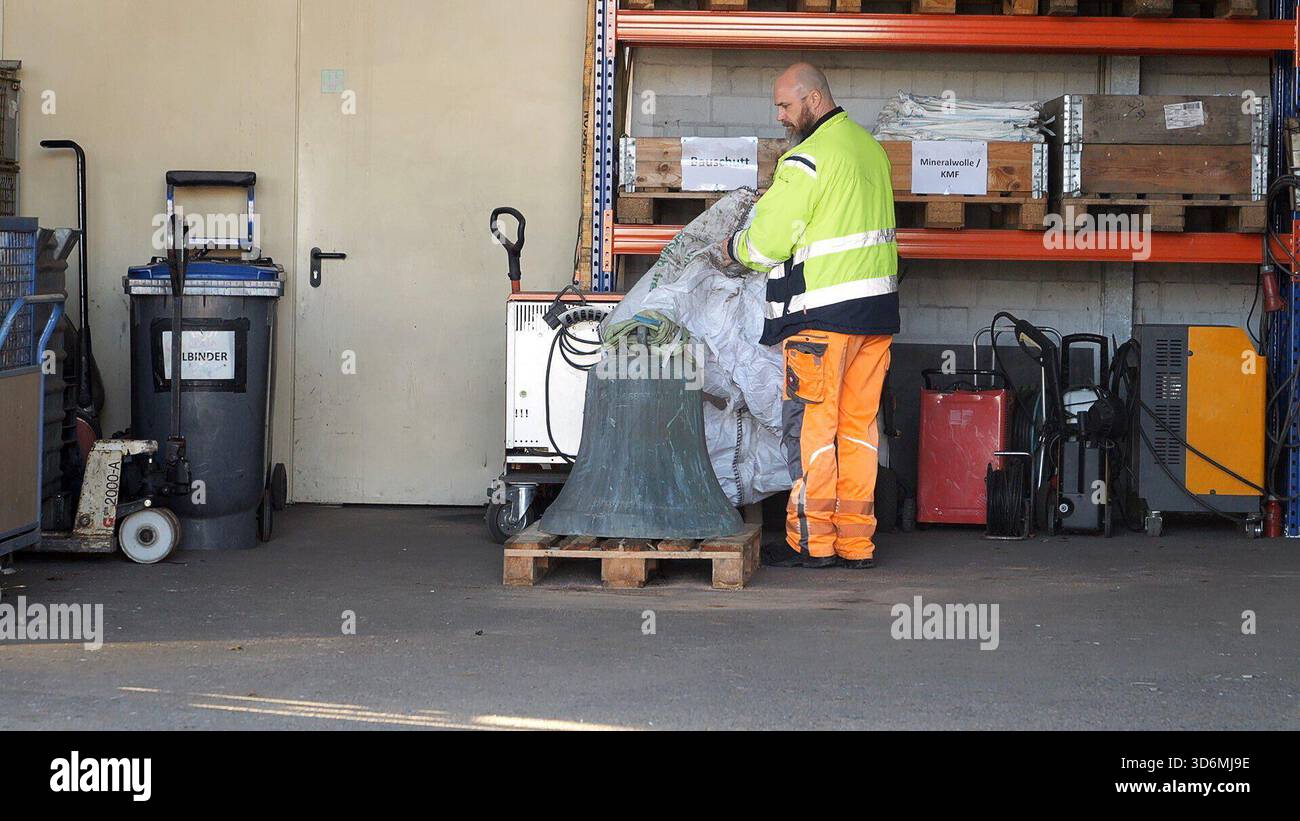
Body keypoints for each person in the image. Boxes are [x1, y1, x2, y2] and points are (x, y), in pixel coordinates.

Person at [723, 63, 898, 569]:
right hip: (875, 319)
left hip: (820, 320)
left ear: (814, 98)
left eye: (784, 105)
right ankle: (856, 542)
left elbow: (768, 241)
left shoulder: (807, 160)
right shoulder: (870, 151)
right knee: (861, 429)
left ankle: (814, 542)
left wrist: (737, 247)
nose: (779, 116)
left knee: (813, 429)